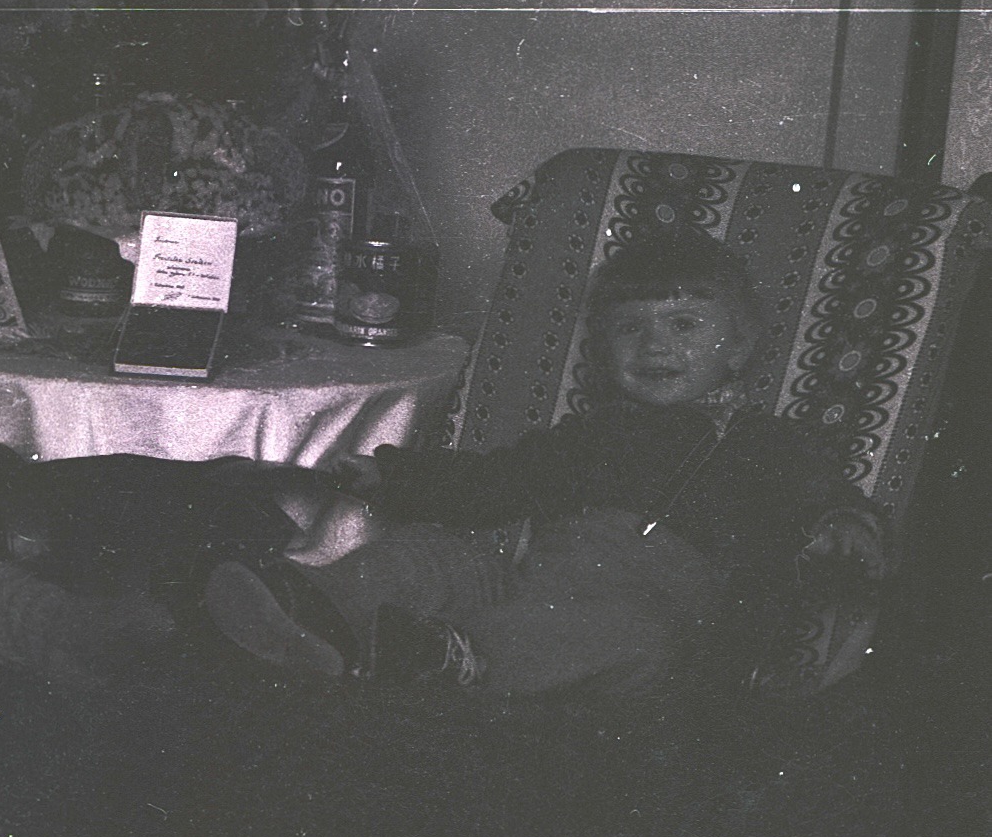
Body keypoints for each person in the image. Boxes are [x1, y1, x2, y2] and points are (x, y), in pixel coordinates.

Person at [203, 229, 888, 696]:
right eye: (630, 327)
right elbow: (495, 482)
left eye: (684, 325)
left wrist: (849, 525)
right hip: (530, 576)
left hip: (665, 607)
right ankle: (311, 611)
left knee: (625, 637)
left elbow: (831, 496)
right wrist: (398, 475)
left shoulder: (769, 444)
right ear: (602, 349)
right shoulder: (592, 434)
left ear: (738, 346)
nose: (654, 345)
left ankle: (451, 658)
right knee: (424, 555)